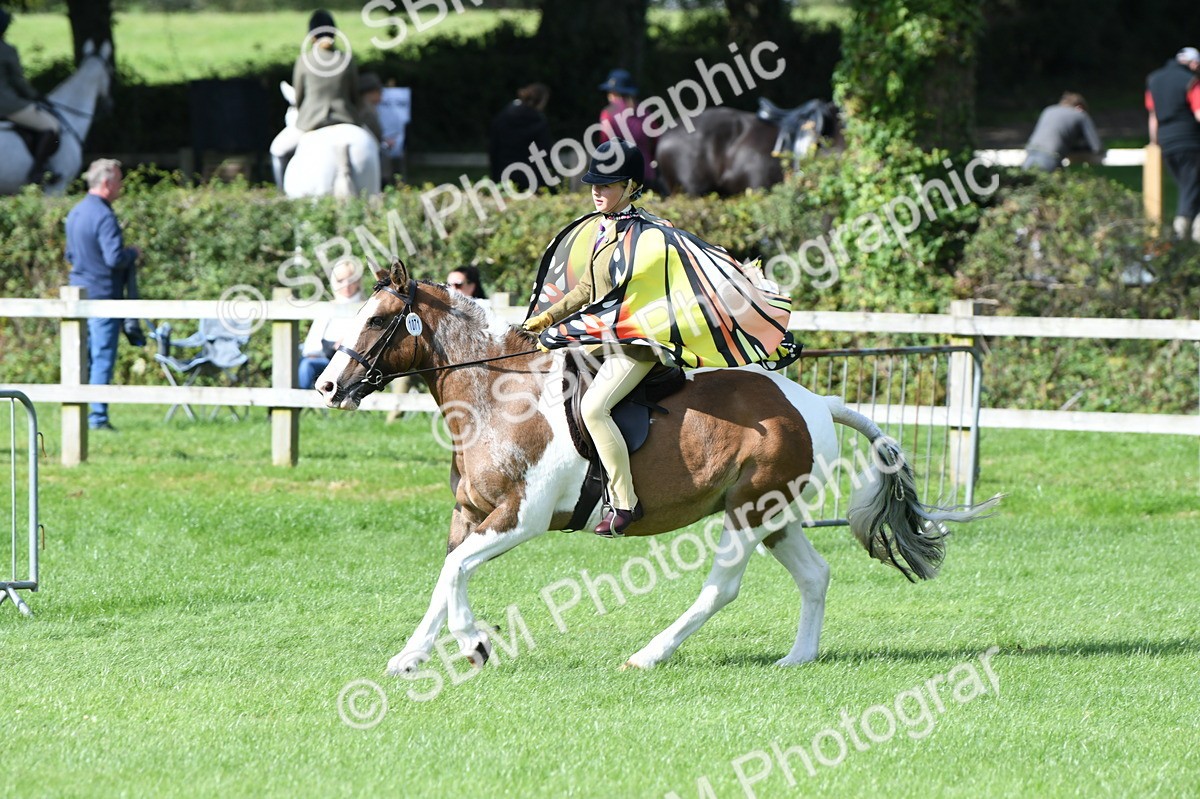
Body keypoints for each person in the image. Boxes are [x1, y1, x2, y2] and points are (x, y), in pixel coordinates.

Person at [522, 139, 798, 537]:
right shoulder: (602, 228)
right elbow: (587, 288)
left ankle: (624, 503)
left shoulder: (651, 238)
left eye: (607, 184)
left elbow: (629, 298)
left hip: (636, 344)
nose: (596, 192)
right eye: (594, 184)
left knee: (594, 409)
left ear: (631, 186)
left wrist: (572, 329)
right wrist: (549, 316)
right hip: (603, 336)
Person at [65, 159, 143, 432]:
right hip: (103, 298)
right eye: (119, 180)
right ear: (107, 183)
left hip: (77, 296)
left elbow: (70, 255)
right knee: (102, 357)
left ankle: (77, 412)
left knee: (80, 358)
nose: (121, 186)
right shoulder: (104, 216)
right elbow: (114, 258)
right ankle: (97, 418)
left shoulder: (75, 212)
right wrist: (132, 253)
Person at [269, 9, 362, 190]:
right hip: (346, 118)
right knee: (377, 147)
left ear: (312, 36)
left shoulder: (304, 61)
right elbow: (354, 96)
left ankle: (282, 193)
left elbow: (299, 98)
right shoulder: (347, 60)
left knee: (278, 150)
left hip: (311, 120)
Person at [0, 8, 61, 186]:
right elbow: (18, 82)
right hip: (7, 105)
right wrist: (36, 96)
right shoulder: (6, 50)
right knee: (51, 126)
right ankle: (38, 170)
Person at [1146, 46, 1200, 241]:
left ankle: (1188, 240)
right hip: (1190, 142)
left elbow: (1153, 117)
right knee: (1190, 189)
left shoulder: (1154, 80)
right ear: (1193, 63)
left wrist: (1155, 144)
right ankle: (1181, 236)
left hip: (1166, 143)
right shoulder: (1191, 81)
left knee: (1188, 188)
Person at [299, 259, 365, 390]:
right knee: (306, 366)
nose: (346, 285)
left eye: (351, 280)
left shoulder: (367, 307)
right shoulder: (327, 308)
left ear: (358, 281)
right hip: (327, 361)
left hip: (355, 364)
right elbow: (310, 348)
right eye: (341, 280)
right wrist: (332, 347)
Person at [597, 69, 660, 193]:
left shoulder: (608, 113)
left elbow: (605, 146)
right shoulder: (645, 112)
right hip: (646, 176)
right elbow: (657, 141)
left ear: (613, 93)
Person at [489, 82, 553, 192]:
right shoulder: (539, 122)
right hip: (531, 180)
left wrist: (495, 177)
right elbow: (544, 153)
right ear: (541, 101)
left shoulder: (502, 118)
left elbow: (493, 148)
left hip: (503, 176)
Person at [1022, 92, 1103, 172]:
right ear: (1080, 107)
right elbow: (1096, 147)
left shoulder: (1048, 110)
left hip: (1030, 152)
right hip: (1050, 156)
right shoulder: (1080, 115)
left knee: (1027, 179)